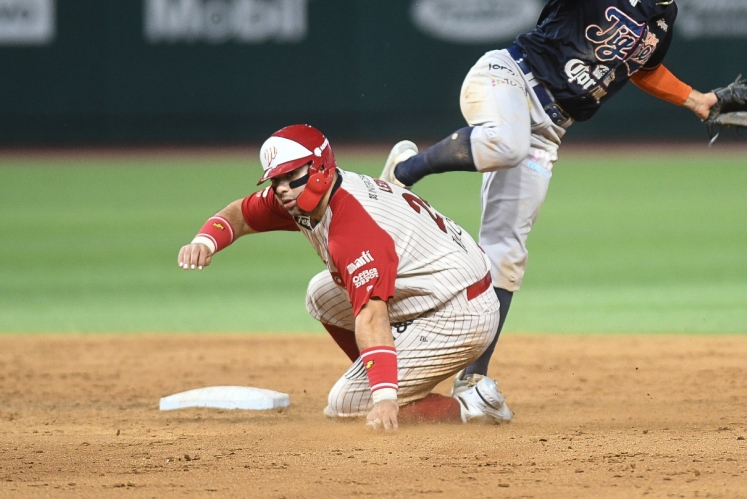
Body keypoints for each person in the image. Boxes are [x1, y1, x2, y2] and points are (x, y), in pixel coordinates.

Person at [380, 0, 720, 394]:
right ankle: (406, 170)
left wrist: (696, 100)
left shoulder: (665, 14)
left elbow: (643, 69)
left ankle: (472, 382)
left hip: (550, 130)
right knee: (504, 142)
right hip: (509, 79)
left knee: (507, 253)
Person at [177, 124, 513, 431]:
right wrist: (204, 241)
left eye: (290, 175)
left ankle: (472, 405)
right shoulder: (304, 196)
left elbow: (371, 315)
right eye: (275, 180)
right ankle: (395, 373)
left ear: (321, 167)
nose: (281, 188)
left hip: (461, 313)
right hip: (432, 288)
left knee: (346, 404)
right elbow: (240, 214)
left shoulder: (352, 229)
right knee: (321, 293)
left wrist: (382, 398)